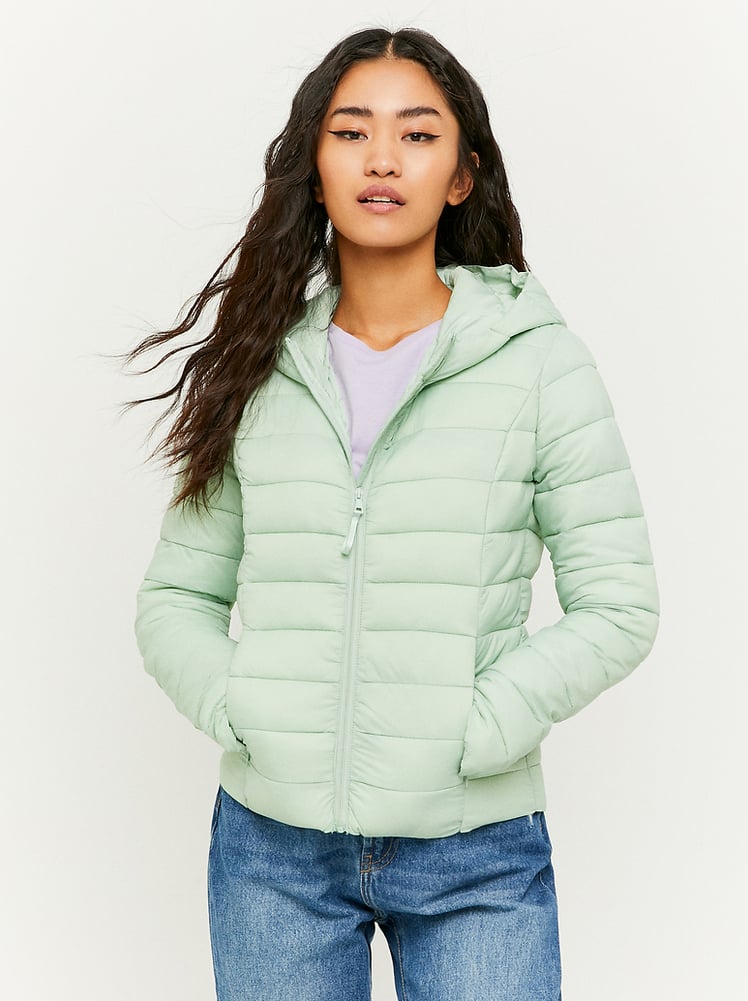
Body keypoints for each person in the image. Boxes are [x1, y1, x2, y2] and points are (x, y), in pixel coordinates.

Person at [127, 25, 659, 1001]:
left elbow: (620, 604)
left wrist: (477, 729)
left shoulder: (540, 362)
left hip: (474, 847)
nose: (382, 159)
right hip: (274, 852)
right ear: (315, 166)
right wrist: (248, 711)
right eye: (351, 132)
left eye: (417, 134)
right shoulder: (258, 363)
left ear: (462, 175)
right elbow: (175, 596)